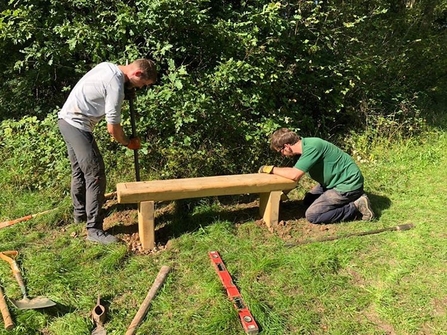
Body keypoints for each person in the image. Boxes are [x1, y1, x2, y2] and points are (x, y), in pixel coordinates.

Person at [58, 59, 157, 244]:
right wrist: (128, 143)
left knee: (80, 170)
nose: (142, 88)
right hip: (77, 124)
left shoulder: (108, 67)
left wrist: (127, 88)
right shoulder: (115, 85)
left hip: (66, 121)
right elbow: (113, 129)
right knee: (95, 174)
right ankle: (94, 230)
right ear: (137, 74)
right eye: (143, 84)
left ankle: (80, 215)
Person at [258, 128, 375, 224]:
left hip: (347, 185)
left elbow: (294, 175)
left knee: (313, 215)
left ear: (287, 146)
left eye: (281, 151)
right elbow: (295, 174)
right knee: (308, 200)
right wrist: (281, 195)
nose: (282, 155)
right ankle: (349, 200)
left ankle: (356, 206)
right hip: (333, 182)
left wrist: (270, 169)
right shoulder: (304, 148)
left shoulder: (312, 147)